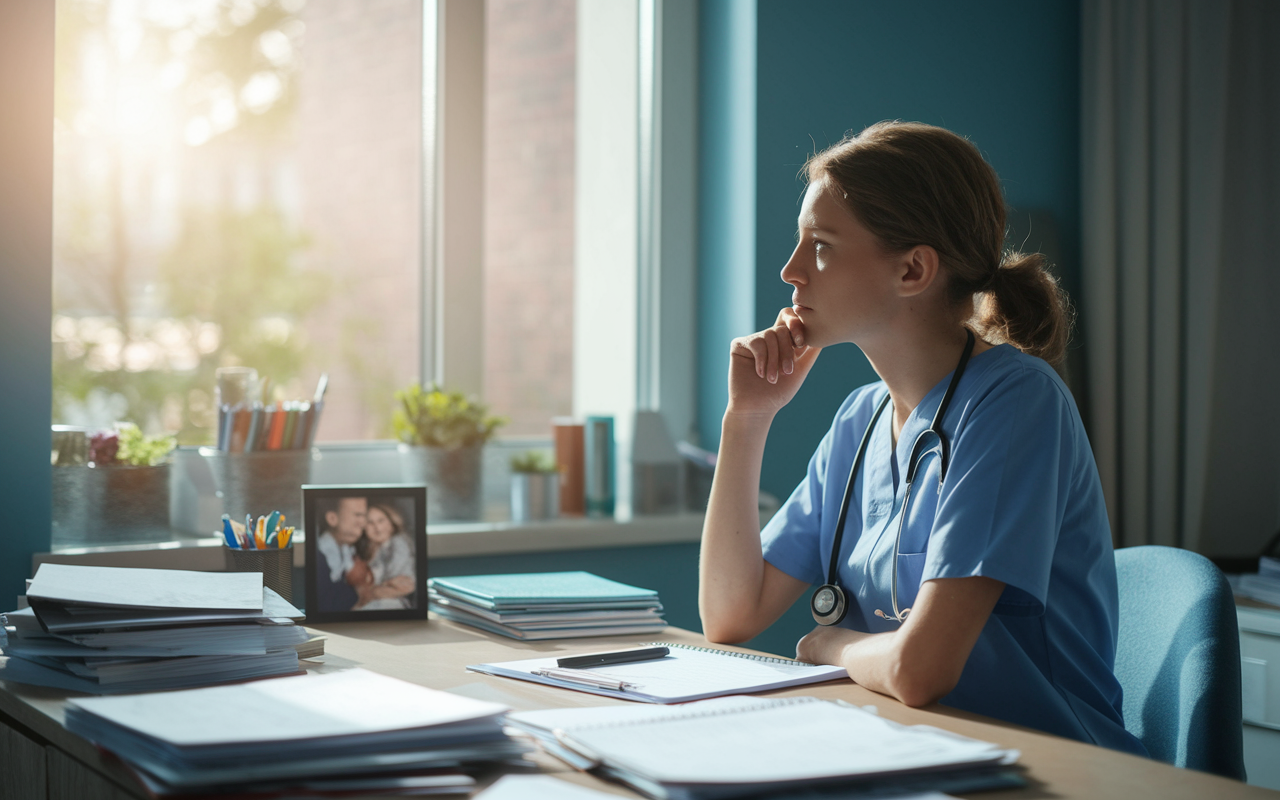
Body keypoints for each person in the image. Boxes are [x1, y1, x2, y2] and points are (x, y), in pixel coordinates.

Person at [698, 121, 1147, 756]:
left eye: (820, 245)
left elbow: (920, 669)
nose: (790, 270)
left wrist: (831, 645)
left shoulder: (1016, 403)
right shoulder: (859, 421)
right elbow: (729, 614)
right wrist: (746, 419)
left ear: (913, 269)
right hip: (900, 748)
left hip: (1044, 764)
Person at [349, 503, 417, 610]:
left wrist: (372, 592)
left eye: (381, 521)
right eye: (370, 523)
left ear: (391, 522)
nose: (377, 528)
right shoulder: (370, 550)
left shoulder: (400, 544)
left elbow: (405, 586)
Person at [314, 496, 367, 613]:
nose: (363, 523)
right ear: (332, 518)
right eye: (357, 515)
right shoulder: (321, 555)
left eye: (364, 516)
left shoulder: (346, 548)